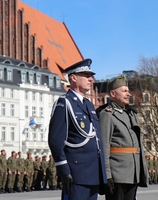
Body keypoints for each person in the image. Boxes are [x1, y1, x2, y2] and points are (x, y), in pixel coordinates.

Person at [48, 58, 107, 200]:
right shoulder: (65, 103)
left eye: (91, 76)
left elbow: (96, 139)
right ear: (73, 78)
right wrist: (63, 170)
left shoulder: (89, 105)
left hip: (93, 173)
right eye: (86, 76)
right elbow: (55, 140)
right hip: (77, 173)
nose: (91, 80)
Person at [97, 75, 148, 200]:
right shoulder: (107, 115)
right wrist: (107, 175)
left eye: (128, 91)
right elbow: (104, 147)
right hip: (117, 175)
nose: (128, 94)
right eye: (124, 91)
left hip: (132, 173)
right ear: (113, 93)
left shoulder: (130, 114)